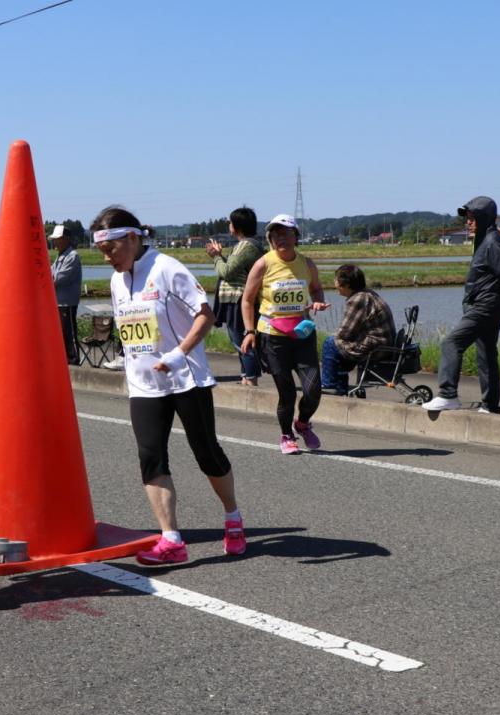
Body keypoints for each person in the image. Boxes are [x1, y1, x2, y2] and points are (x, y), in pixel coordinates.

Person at [91, 205, 245, 566]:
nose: (107, 257)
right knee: (150, 457)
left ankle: (233, 518)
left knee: (206, 452)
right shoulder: (117, 280)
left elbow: (205, 315)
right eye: (102, 252)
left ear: (131, 237)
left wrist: (178, 353)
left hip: (185, 379)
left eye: (111, 249)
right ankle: (171, 539)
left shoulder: (166, 268)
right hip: (144, 386)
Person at [422, 196, 500, 414]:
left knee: (451, 343)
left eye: (472, 217)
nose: (468, 222)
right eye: (467, 218)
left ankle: (448, 395)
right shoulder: (485, 239)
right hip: (488, 305)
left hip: (486, 305)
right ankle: (490, 406)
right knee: (486, 354)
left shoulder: (493, 241)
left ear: (485, 218)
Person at [240, 214, 328, 453]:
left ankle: (302, 423)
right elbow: (247, 300)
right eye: (275, 234)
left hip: (301, 333)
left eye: (285, 233)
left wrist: (318, 302)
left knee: (313, 390)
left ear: (296, 236)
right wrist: (249, 332)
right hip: (272, 336)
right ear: (270, 239)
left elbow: (317, 289)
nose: (280, 238)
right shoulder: (263, 264)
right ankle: (286, 435)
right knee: (286, 392)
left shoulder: (307, 264)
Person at [206, 207, 264, 386]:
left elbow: (227, 271)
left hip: (239, 300)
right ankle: (246, 377)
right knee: (240, 340)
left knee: (242, 341)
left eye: (231, 223)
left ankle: (250, 378)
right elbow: (233, 269)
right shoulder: (247, 245)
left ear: (237, 226)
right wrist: (221, 256)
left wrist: (216, 257)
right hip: (237, 299)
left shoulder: (246, 246)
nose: (229, 226)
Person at [320, 264, 396, 395]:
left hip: (375, 348)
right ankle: (340, 390)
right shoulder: (368, 293)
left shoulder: (358, 299)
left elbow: (345, 333)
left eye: (336, 280)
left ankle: (328, 384)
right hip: (382, 344)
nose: (334, 283)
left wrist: (336, 337)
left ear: (347, 285)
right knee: (337, 346)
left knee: (330, 343)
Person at [50, 223, 83, 365]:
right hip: (59, 301)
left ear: (66, 239)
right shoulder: (60, 256)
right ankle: (65, 359)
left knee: (69, 332)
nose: (54, 241)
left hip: (67, 302)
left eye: (58, 238)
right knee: (62, 333)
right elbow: (49, 274)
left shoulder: (72, 256)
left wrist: (48, 279)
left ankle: (73, 359)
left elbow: (57, 279)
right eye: (54, 239)